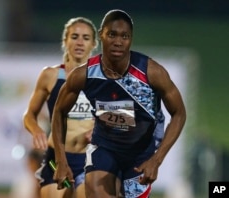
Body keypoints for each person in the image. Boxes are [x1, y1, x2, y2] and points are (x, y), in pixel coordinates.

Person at [51, 9, 186, 198]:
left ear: (131, 39)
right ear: (101, 35)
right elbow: (59, 111)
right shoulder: (84, 75)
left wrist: (157, 160)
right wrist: (60, 161)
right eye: (112, 34)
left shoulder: (152, 73)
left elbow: (179, 113)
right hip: (104, 147)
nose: (118, 42)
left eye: (125, 36)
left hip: (141, 154)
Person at [23, 17, 98, 198]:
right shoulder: (51, 75)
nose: (80, 42)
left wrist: (99, 129)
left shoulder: (102, 78)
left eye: (86, 38)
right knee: (59, 193)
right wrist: (36, 130)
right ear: (65, 41)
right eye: (75, 36)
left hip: (88, 159)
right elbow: (29, 114)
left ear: (94, 44)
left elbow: (118, 115)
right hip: (56, 159)